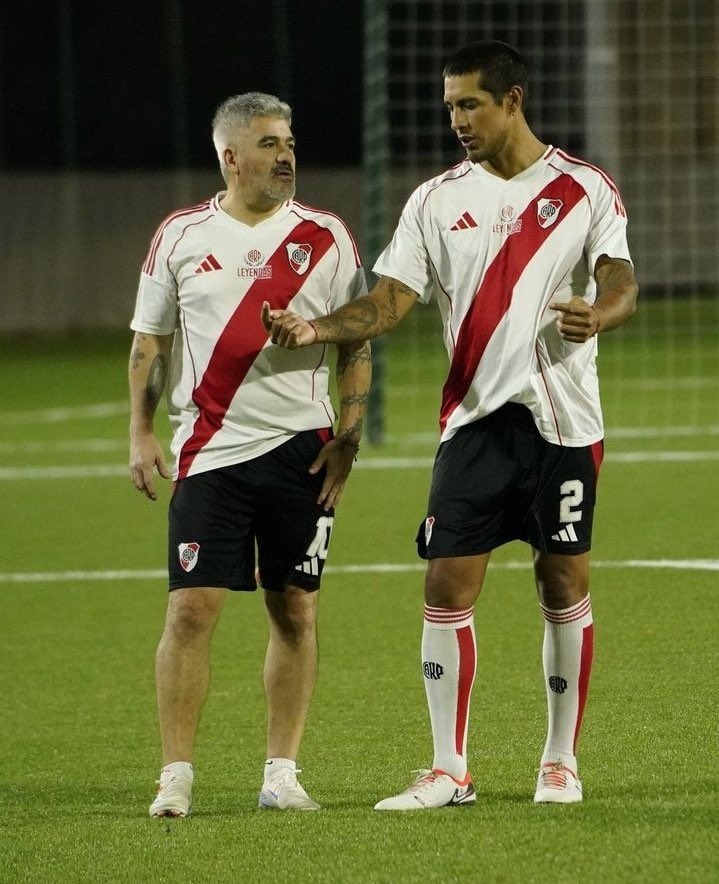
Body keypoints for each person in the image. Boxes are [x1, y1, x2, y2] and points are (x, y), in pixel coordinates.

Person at [263, 41, 638, 809]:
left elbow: (619, 275)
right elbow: (390, 301)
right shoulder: (434, 200)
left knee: (561, 578)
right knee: (444, 583)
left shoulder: (581, 188)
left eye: (469, 104)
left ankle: (559, 762)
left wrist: (598, 314)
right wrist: (318, 328)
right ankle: (447, 769)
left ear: (512, 100)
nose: (457, 120)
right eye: (448, 108)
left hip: (563, 421)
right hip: (471, 420)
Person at [129, 92, 371, 817]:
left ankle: (281, 773)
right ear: (230, 156)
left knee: (294, 608)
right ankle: (175, 776)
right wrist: (140, 435)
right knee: (189, 613)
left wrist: (348, 439)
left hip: (302, 454)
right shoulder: (180, 234)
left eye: (289, 140)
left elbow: (355, 341)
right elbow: (150, 341)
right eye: (269, 143)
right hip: (210, 453)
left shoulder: (327, 237)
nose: (286, 154)